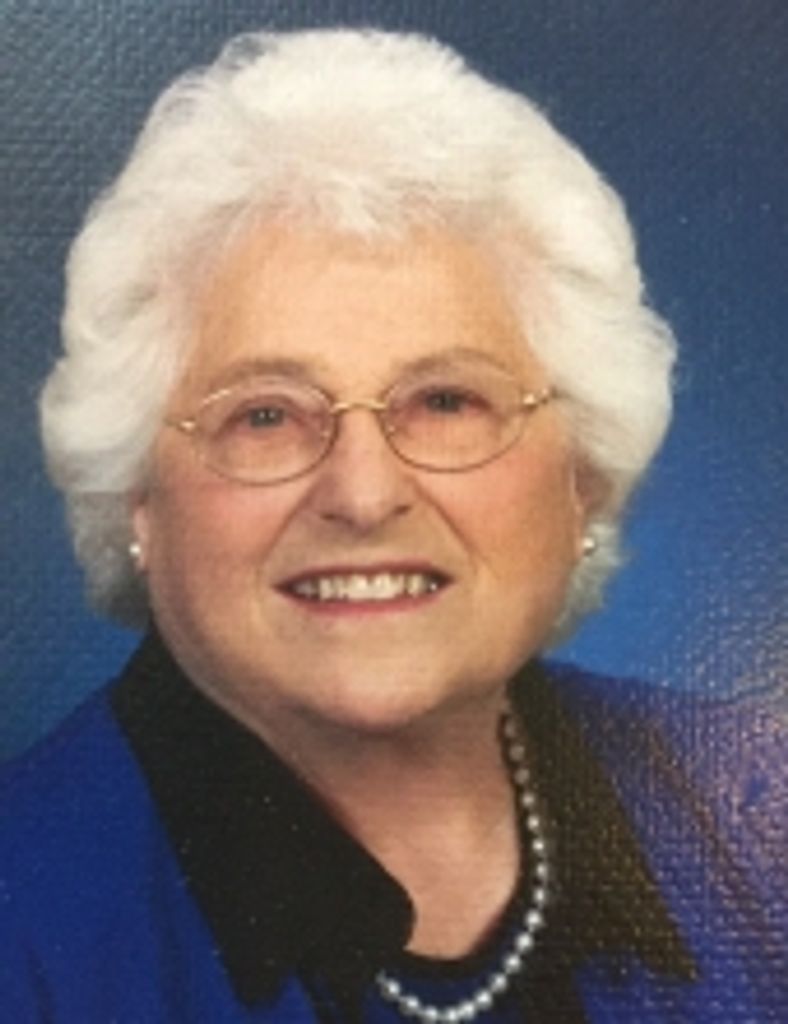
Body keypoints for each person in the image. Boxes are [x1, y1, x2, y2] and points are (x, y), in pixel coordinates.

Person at [1, 28, 785, 1024]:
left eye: (447, 401)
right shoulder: (24, 925)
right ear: (137, 498)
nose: (364, 495)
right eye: (266, 415)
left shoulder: (753, 814)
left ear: (581, 477)